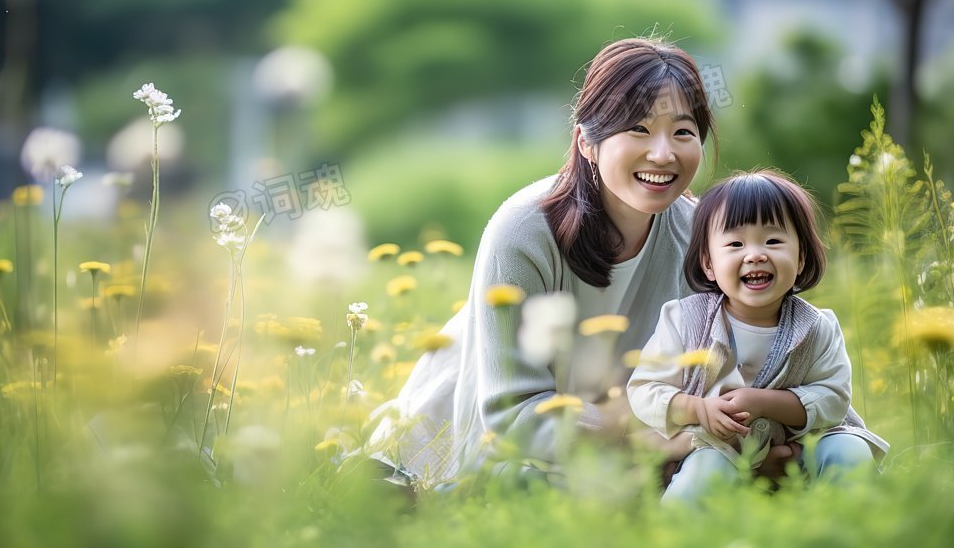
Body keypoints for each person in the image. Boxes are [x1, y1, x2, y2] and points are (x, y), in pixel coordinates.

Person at [366, 36, 730, 488]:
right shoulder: (524, 231)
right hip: (479, 452)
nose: (663, 153)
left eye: (683, 132)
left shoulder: (706, 239)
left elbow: (728, 379)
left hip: (626, 462)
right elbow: (513, 415)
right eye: (637, 129)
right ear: (587, 143)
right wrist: (650, 436)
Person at [627, 169, 889, 504]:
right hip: (717, 450)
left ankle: (852, 522)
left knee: (849, 449)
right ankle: (680, 540)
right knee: (701, 475)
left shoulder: (815, 327)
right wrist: (695, 408)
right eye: (735, 244)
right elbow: (645, 389)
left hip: (798, 453)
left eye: (774, 241)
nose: (755, 254)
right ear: (709, 263)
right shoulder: (684, 320)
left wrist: (764, 403)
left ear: (801, 257)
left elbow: (833, 398)